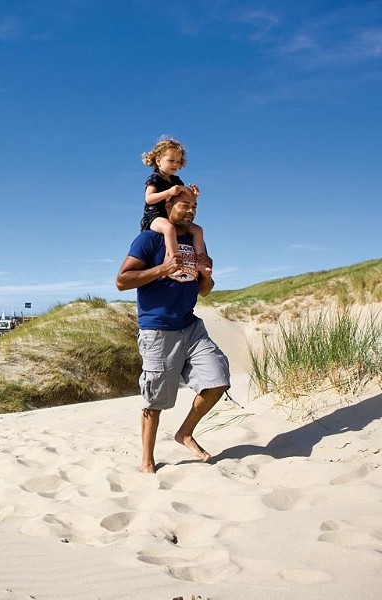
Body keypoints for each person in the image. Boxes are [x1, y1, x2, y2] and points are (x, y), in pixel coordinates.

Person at [116, 186, 230, 473]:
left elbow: (205, 290)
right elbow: (121, 280)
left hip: (190, 326)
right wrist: (161, 269)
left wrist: (206, 275)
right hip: (158, 331)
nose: (191, 211)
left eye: (194, 206)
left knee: (218, 379)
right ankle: (147, 460)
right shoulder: (149, 239)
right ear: (168, 206)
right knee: (155, 400)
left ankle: (185, 433)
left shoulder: (195, 241)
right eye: (184, 205)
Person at [140, 136, 210, 280]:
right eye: (171, 160)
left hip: (171, 216)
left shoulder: (177, 180)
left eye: (178, 161)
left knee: (197, 230)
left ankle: (201, 261)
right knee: (169, 229)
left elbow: (181, 201)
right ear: (158, 160)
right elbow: (149, 198)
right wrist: (169, 192)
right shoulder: (154, 178)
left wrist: (193, 196)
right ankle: (173, 262)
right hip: (154, 217)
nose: (175, 164)